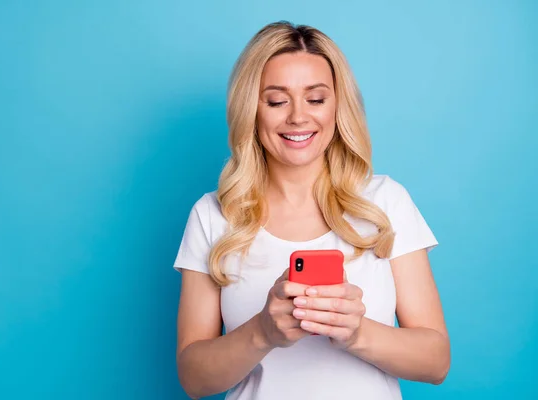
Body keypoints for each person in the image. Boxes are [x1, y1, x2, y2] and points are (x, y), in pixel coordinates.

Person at [172, 20, 450, 400]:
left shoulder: (386, 203)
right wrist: (262, 332)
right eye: (276, 100)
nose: (298, 117)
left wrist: (357, 333)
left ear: (338, 107)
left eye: (316, 99)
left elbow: (436, 363)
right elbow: (193, 379)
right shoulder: (213, 215)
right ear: (250, 110)